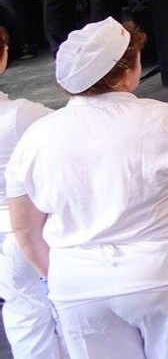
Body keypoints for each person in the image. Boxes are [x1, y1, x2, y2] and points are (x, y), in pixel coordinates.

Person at [7, 19, 168, 358]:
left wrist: (59, 276)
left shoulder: (34, 139)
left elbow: (25, 230)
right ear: (127, 72)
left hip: (79, 286)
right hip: (166, 275)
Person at [0, 27, 58, 359]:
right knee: (65, 313)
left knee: (23, 317)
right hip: (31, 231)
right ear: (4, 55)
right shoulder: (21, 115)